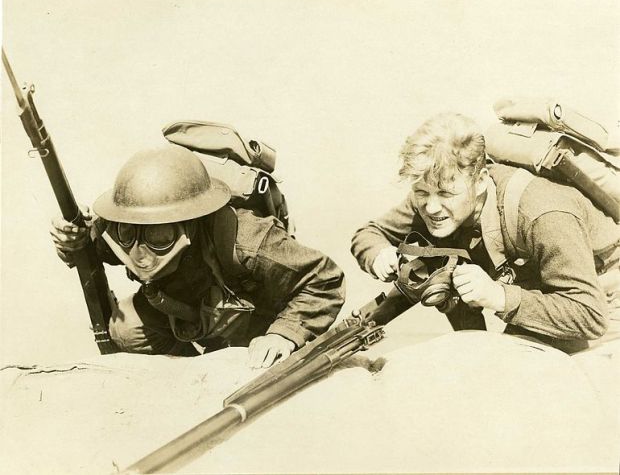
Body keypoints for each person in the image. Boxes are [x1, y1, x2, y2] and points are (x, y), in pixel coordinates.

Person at [51, 144, 345, 367]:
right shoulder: (125, 226)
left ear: (190, 221)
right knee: (124, 328)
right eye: (130, 231)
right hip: (188, 311)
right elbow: (92, 248)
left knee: (255, 367)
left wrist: (282, 334)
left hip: (251, 318)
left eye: (159, 236)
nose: (140, 251)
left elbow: (324, 279)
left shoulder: (246, 238)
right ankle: (188, 373)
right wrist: (73, 239)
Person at [351, 112, 619, 353]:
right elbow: (370, 232)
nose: (431, 207)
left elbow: (589, 315)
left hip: (603, 306)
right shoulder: (436, 192)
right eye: (421, 193)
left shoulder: (542, 211)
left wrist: (498, 296)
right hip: (546, 299)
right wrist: (378, 254)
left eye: (446, 193)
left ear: (480, 181)